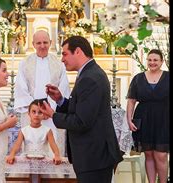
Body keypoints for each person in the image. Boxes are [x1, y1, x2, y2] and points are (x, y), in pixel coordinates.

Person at [39, 36, 123, 183]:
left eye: (65, 54)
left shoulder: (89, 78)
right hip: (93, 155)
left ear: (77, 51)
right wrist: (60, 99)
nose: (62, 59)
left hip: (94, 156)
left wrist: (53, 115)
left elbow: (81, 121)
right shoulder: (88, 73)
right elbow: (80, 110)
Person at [14, 30, 70, 157]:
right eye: (38, 43)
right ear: (33, 44)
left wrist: (49, 111)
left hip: (53, 115)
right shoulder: (25, 63)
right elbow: (21, 88)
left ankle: (54, 177)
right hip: (31, 116)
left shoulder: (59, 64)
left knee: (53, 153)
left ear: (51, 43)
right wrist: (37, 111)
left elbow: (63, 89)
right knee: (32, 154)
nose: (42, 46)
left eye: (45, 42)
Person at [126, 49, 169, 183]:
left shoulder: (168, 77)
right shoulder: (138, 78)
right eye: (150, 60)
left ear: (162, 61)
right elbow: (131, 101)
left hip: (164, 120)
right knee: (149, 154)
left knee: (161, 155)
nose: (152, 62)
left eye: (155, 60)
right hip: (144, 119)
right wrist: (129, 120)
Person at [6, 99, 62, 165]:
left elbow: (53, 145)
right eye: (33, 112)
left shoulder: (47, 130)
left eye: (40, 112)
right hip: (27, 160)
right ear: (29, 113)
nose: (36, 115)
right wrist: (12, 154)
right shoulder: (23, 130)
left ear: (44, 114)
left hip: (43, 161)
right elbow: (17, 145)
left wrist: (57, 155)